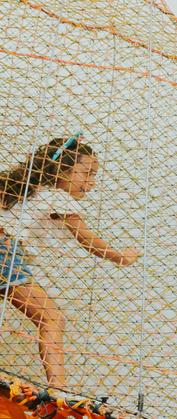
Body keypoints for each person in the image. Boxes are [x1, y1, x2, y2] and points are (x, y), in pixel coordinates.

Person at [0, 134, 139, 388]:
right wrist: (123, 258)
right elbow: (87, 240)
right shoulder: (56, 197)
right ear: (62, 170)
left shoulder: (19, 189)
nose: (91, 183)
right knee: (51, 318)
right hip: (3, 252)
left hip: (5, 251)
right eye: (86, 174)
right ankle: (59, 390)